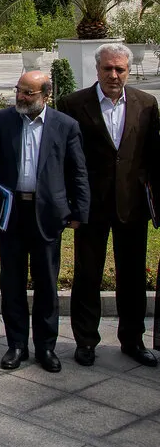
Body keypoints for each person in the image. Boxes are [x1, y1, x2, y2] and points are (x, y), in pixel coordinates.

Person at [0, 71, 90, 373]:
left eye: (29, 93)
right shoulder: (2, 120)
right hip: (11, 212)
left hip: (48, 215)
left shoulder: (65, 126)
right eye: (19, 90)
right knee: (12, 283)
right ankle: (16, 345)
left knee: (47, 284)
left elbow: (78, 172)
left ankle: (46, 347)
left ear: (46, 96)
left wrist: (79, 211)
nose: (21, 97)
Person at [57, 43, 159, 368]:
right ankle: (86, 341)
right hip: (90, 206)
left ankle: (133, 340)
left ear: (127, 71)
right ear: (97, 69)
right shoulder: (73, 104)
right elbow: (65, 159)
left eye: (120, 69)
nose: (114, 75)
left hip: (132, 205)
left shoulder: (147, 104)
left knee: (133, 277)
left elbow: (152, 157)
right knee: (87, 276)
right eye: (108, 69)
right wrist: (69, 203)